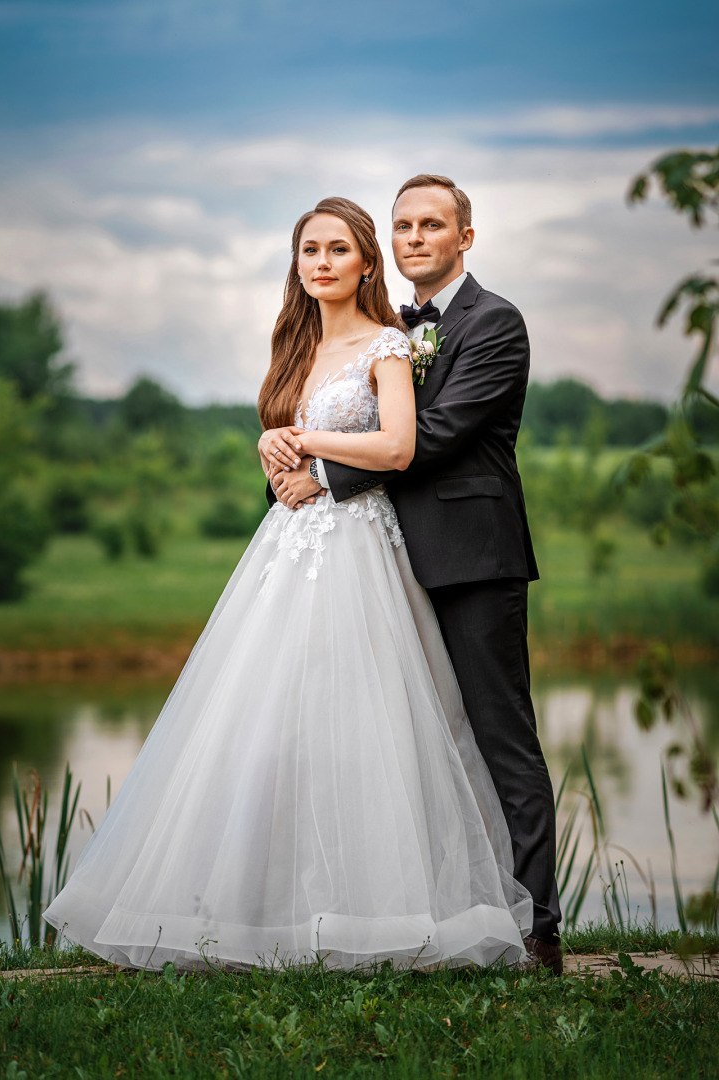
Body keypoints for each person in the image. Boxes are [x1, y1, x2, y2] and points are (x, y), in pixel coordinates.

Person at [43, 196, 532, 972]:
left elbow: (402, 444)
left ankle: (431, 916)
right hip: (289, 545)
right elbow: (299, 450)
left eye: (339, 249)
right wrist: (275, 454)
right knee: (268, 721)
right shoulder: (297, 351)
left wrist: (305, 446)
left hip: (368, 548)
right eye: (310, 250)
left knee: (385, 725)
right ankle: (268, 912)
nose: (323, 262)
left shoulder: (393, 343)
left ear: (365, 262)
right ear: (297, 265)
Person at [268, 177, 563, 975]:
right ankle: (417, 907)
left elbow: (430, 435)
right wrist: (291, 457)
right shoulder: (390, 331)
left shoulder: (494, 322)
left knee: (500, 739)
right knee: (396, 740)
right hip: (384, 561)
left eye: (432, 225)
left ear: (465, 236)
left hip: (470, 557)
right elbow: (350, 417)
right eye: (402, 226)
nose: (414, 238)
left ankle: (538, 930)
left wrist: (323, 476)